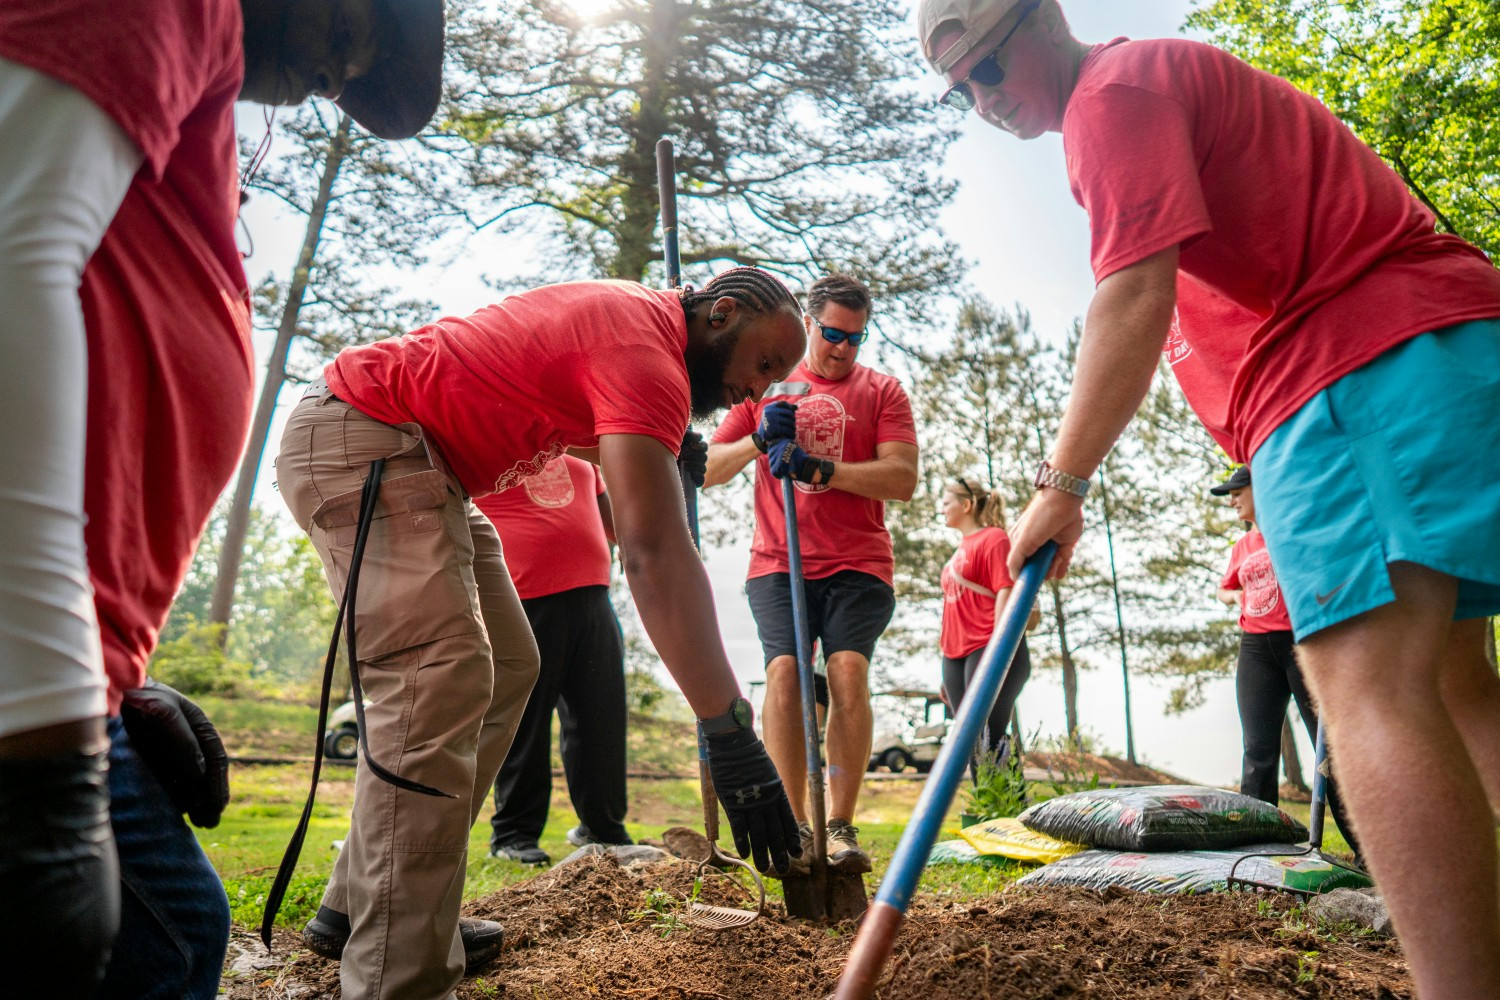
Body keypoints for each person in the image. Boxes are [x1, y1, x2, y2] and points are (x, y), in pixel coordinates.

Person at [917, 2, 1500, 995]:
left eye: (992, 64)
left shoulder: (1114, 92)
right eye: (961, 89)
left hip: (1351, 365)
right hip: (1450, 340)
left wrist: (1060, 484)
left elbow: (1131, 294)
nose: (985, 97)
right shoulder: (1155, 88)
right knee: (1453, 682)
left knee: (1366, 688)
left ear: (1044, 18)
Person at [0, 1, 446, 997]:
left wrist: (113, 678)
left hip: (65, 654)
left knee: (178, 932)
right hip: (25, 696)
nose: (333, 85)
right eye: (345, 44)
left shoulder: (164, 87)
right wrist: (39, 721)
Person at [277, 268, 804, 1000]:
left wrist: (659, 445)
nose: (761, 391)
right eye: (764, 366)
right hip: (368, 438)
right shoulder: (646, 350)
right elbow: (653, 554)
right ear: (721, 316)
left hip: (425, 461)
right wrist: (729, 730)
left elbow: (552, 404)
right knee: (441, 679)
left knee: (509, 664)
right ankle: (403, 974)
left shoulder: (639, 328)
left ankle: (377, 904)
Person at [705, 273, 919, 874]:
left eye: (856, 337)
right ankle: (793, 828)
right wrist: (756, 437)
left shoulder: (883, 391)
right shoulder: (764, 385)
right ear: (808, 324)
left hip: (860, 563)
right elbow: (706, 470)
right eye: (832, 333)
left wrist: (822, 469)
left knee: (847, 672)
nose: (843, 347)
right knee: (786, 675)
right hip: (778, 563)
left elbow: (901, 477)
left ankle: (841, 826)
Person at [481, 455, 633, 865]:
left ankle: (602, 828)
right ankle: (513, 833)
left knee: (601, 718)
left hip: (594, 595)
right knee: (525, 722)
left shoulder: (583, 455)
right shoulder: (499, 440)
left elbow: (618, 526)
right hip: (523, 596)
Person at [1213, 466, 1361, 860]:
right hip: (1256, 650)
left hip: (1303, 645)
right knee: (1258, 752)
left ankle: (1369, 852)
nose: (1231, 499)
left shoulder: (1296, 529)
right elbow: (1223, 588)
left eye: (1236, 490)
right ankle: (1257, 850)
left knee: (1330, 749)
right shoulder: (1243, 546)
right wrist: (1236, 599)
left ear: (1259, 487)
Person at [938, 478, 1034, 778]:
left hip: (987, 646)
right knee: (972, 742)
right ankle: (988, 810)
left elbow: (1005, 589)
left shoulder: (994, 538)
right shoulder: (959, 550)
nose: (941, 509)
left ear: (966, 505)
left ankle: (1007, 812)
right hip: (955, 655)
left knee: (986, 738)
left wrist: (999, 650)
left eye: (946, 503)